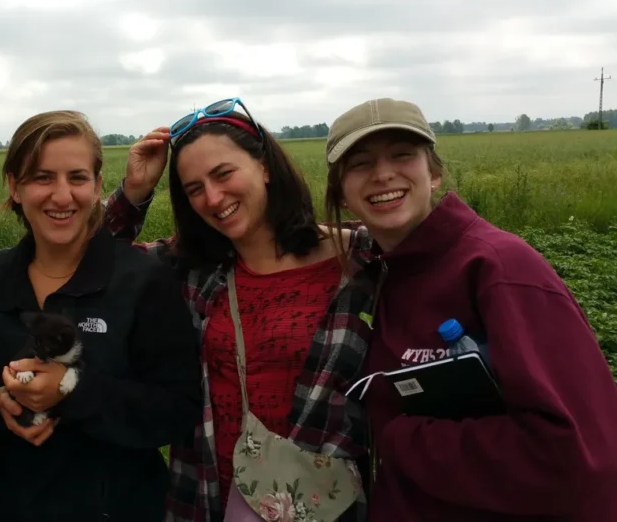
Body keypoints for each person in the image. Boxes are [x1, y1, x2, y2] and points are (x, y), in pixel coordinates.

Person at [323, 97, 617, 521]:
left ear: (435, 172)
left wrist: (401, 438)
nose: (383, 173)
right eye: (360, 164)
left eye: (403, 155)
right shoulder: (381, 271)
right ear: (342, 195)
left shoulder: (500, 269)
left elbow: (577, 454)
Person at [101, 98, 377, 521]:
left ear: (264, 166)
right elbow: (93, 262)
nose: (213, 198)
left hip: (327, 507)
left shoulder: (360, 261)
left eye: (223, 173)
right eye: (194, 189)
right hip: (205, 498)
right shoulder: (192, 271)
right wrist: (134, 192)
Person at [0, 110, 203, 522]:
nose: (62, 196)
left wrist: (72, 390)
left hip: (120, 507)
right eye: (42, 177)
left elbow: (176, 407)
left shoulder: (140, 279)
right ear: (14, 186)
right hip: (12, 504)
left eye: (77, 178)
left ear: (98, 186)